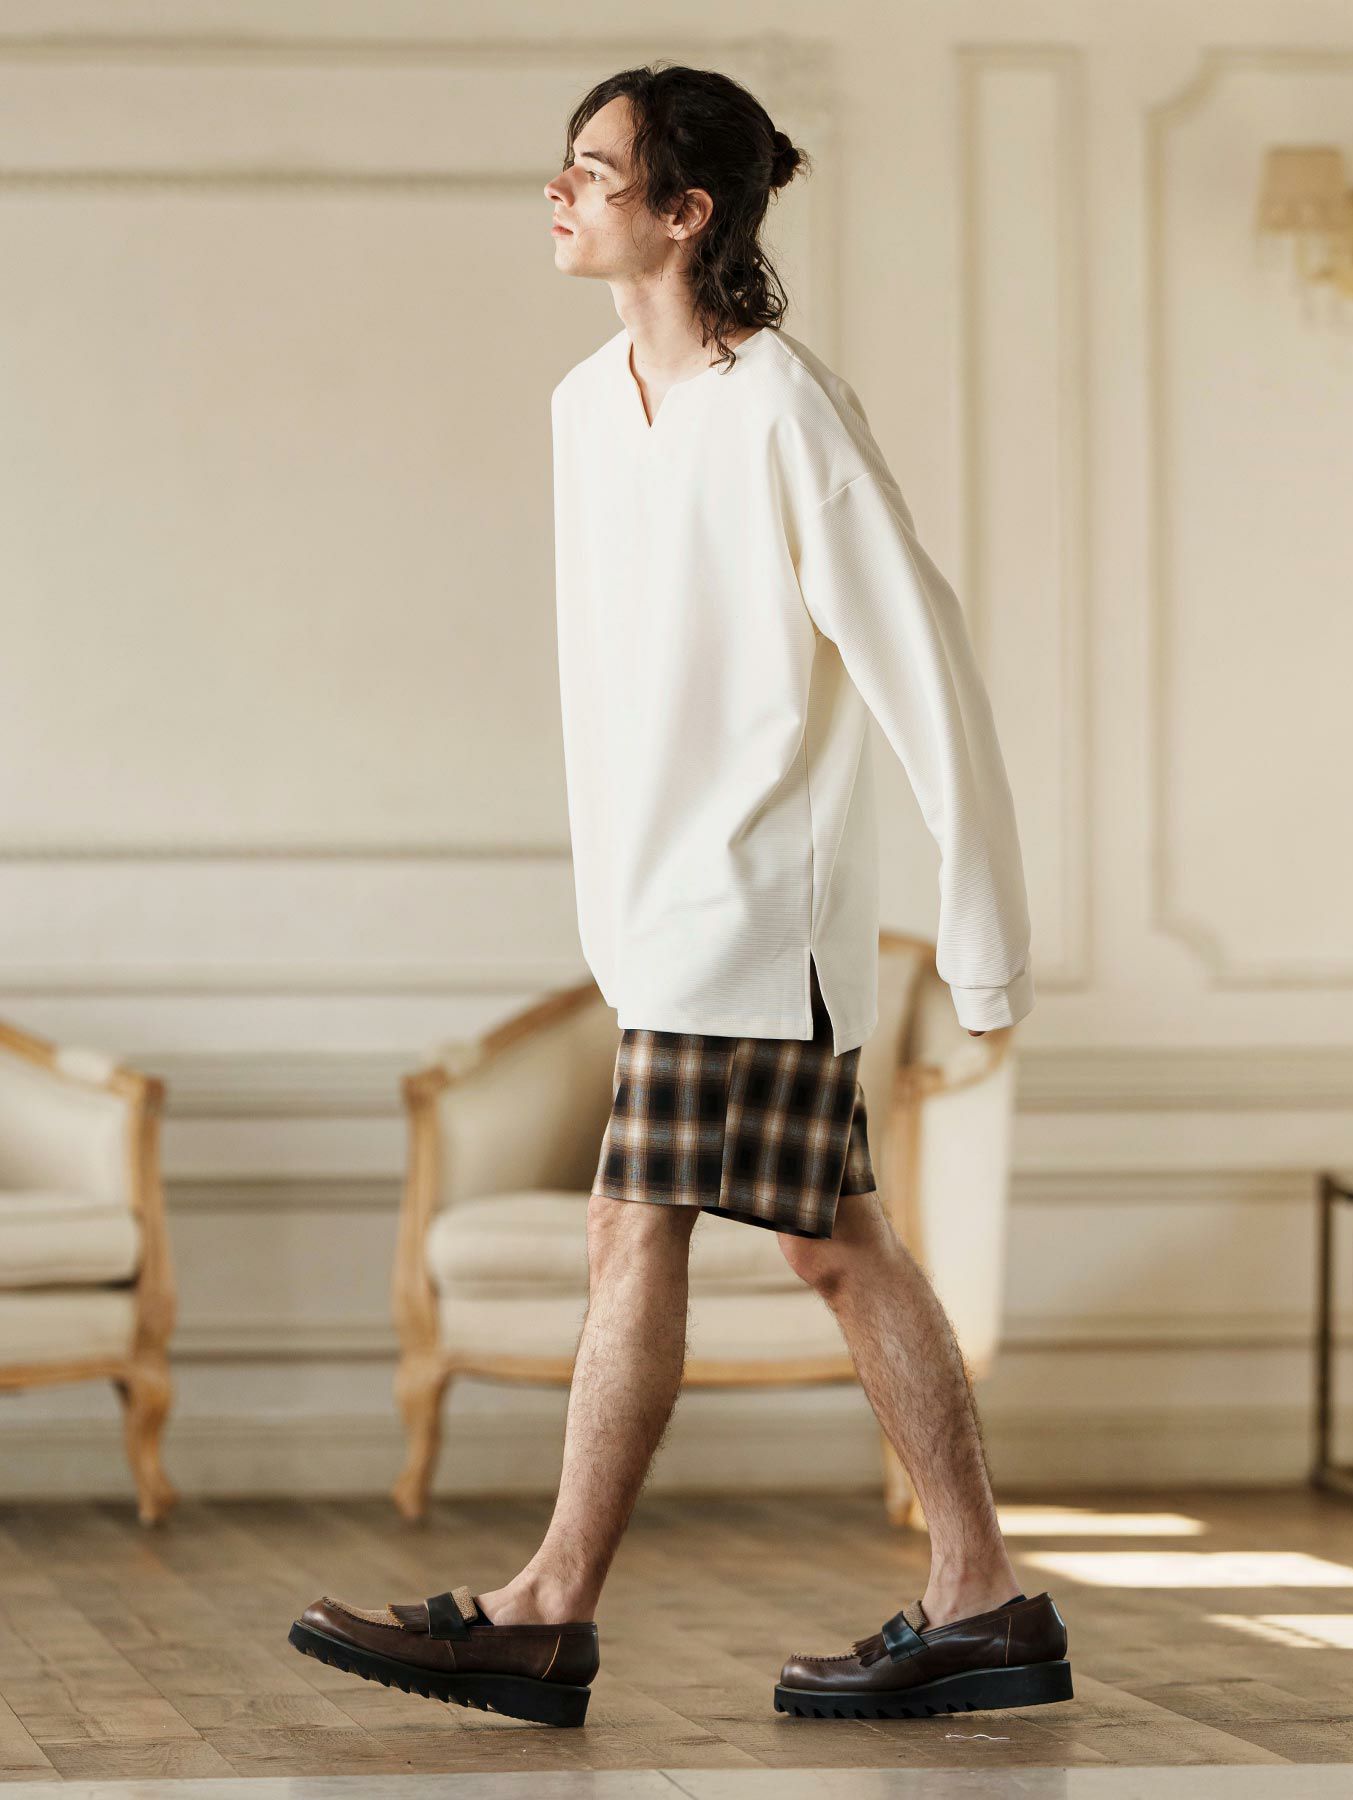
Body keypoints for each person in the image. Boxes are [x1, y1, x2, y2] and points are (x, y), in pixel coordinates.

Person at [288, 60, 1070, 1730]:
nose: (558, 190)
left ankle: (548, 1610)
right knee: (836, 1246)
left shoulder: (784, 408)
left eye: (595, 168)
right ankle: (981, 1595)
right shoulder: (586, 407)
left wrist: (987, 938)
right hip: (664, 922)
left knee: (635, 1226)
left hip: (754, 915)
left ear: (685, 210)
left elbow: (924, 659)